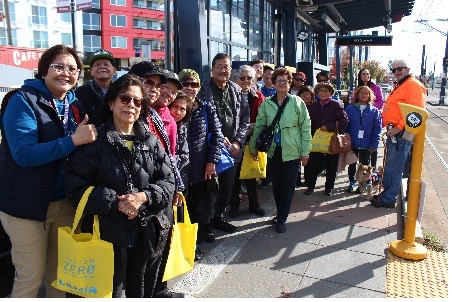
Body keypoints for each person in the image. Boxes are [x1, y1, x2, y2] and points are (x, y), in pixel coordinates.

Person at [64, 74, 175, 298]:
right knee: (108, 291)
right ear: (111, 102)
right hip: (106, 235)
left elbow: (169, 182)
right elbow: (75, 186)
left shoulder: (151, 141)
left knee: (141, 290)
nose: (131, 105)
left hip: (146, 232)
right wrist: (118, 203)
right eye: (125, 99)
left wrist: (143, 197)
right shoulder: (94, 141)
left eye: (137, 101)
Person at [0, 44, 97, 298]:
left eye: (73, 69)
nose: (66, 73)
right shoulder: (22, 100)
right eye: (59, 66)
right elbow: (24, 154)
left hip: (64, 203)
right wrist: (73, 141)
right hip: (26, 208)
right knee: (29, 277)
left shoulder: (75, 106)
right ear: (44, 70)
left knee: (60, 277)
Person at [249, 67, 311, 233]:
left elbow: (306, 128)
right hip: (274, 150)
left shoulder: (297, 102)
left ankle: (282, 217)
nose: (283, 84)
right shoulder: (267, 104)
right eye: (279, 81)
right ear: (274, 84)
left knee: (289, 185)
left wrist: (305, 152)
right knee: (277, 185)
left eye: (286, 81)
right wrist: (254, 146)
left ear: (290, 84)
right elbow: (260, 126)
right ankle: (280, 212)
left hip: (292, 150)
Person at [198, 52, 250, 237]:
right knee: (209, 188)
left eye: (226, 67)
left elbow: (245, 120)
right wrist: (218, 138)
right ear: (212, 69)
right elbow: (198, 119)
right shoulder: (202, 89)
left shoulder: (237, 90)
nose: (223, 70)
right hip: (209, 147)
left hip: (232, 149)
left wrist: (238, 140)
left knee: (227, 186)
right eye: (219, 66)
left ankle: (218, 217)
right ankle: (205, 225)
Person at [178, 68, 224, 256]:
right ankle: (178, 246)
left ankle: (193, 244)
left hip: (199, 169)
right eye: (185, 84)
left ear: (199, 87)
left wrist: (211, 161)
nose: (189, 88)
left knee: (197, 209)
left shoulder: (206, 108)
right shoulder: (174, 106)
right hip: (179, 170)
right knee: (179, 210)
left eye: (194, 84)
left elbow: (217, 137)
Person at [371, 59, 426, 208]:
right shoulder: (402, 85)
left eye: (399, 69)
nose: (396, 72)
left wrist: (398, 127)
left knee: (395, 166)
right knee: (390, 165)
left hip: (400, 132)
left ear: (407, 69)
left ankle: (388, 198)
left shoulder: (413, 85)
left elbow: (416, 112)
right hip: (393, 131)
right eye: (394, 69)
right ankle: (386, 195)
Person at [229, 64, 266, 218]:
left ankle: (254, 205)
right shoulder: (230, 94)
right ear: (236, 79)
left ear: (254, 79)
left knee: (251, 176)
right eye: (242, 78)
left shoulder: (258, 96)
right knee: (234, 177)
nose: (245, 81)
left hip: (251, 140)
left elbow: (262, 119)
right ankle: (234, 207)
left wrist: (251, 129)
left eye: (249, 78)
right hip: (234, 140)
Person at [304, 82, 348, 196]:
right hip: (316, 140)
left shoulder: (336, 105)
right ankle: (310, 186)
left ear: (331, 93)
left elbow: (344, 121)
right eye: (321, 91)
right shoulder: (313, 106)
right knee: (313, 164)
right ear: (317, 93)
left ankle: (329, 188)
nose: (323, 93)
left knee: (331, 165)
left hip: (331, 140)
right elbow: (308, 123)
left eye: (326, 91)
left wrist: (329, 126)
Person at [344, 85, 382, 193]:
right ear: (357, 95)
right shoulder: (350, 108)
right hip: (353, 142)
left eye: (366, 93)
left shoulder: (374, 111)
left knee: (365, 166)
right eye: (362, 93)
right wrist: (347, 142)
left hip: (367, 144)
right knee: (352, 164)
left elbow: (377, 129)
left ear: (370, 96)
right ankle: (352, 181)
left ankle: (364, 183)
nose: (364, 95)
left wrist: (374, 144)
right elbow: (346, 126)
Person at [75, 49, 116, 127]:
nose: (102, 67)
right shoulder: (80, 92)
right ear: (91, 71)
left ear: (114, 70)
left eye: (106, 64)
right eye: (97, 64)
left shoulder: (120, 91)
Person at [168, 91, 191, 194]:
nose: (178, 112)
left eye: (182, 109)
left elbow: (185, 156)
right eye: (175, 107)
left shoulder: (182, 127)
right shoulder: (162, 127)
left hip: (179, 176)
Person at [295, 85, 315, 187]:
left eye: (308, 94)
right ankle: (297, 180)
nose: (306, 96)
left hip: (310, 137)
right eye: (303, 94)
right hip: (296, 137)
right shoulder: (295, 106)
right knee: (296, 160)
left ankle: (308, 180)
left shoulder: (315, 107)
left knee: (309, 161)